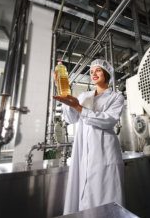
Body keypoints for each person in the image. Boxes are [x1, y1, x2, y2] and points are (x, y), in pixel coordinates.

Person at [54, 59, 125, 214]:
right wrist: (67, 100)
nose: (94, 74)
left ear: (106, 74)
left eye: (98, 70)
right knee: (83, 194)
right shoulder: (84, 95)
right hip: (83, 152)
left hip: (103, 152)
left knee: (103, 195)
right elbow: (71, 118)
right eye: (91, 71)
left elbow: (108, 120)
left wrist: (78, 107)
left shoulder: (116, 97)